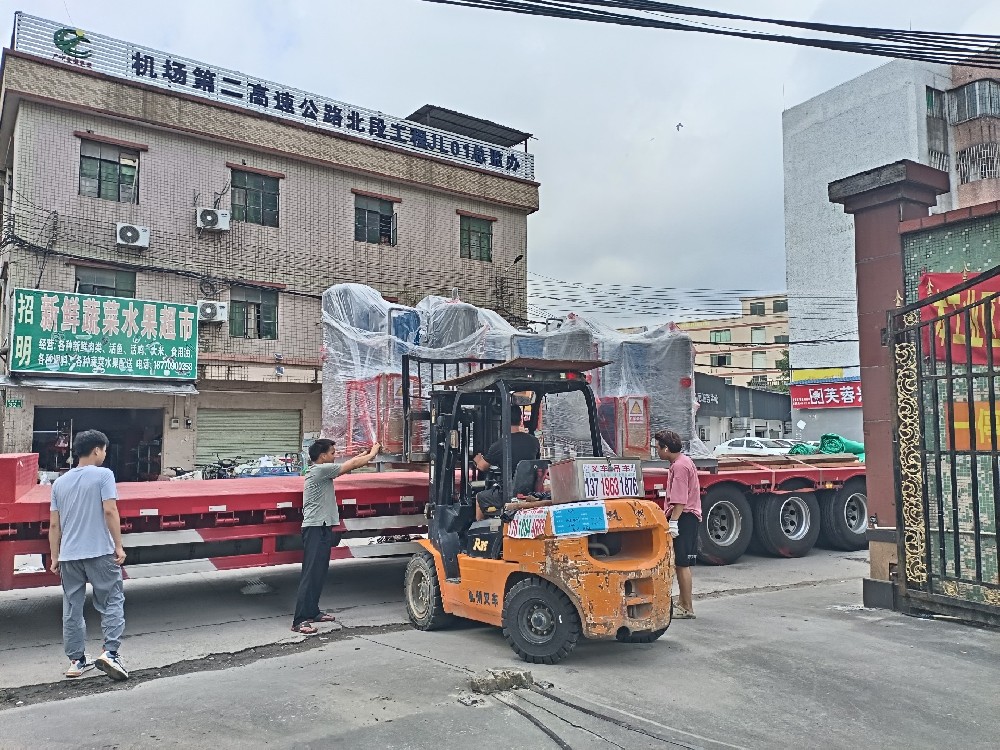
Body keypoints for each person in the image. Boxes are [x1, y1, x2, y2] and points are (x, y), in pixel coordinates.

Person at [48, 430, 129, 680]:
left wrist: (54, 557)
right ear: (96, 450)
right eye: (104, 450)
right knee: (111, 601)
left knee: (72, 607)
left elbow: (54, 525)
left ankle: (76, 661)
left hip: (69, 556)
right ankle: (111, 654)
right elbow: (110, 510)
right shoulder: (104, 475)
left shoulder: (59, 483)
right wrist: (118, 545)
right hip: (99, 552)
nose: (105, 455)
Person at [292, 438, 381, 635]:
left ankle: (313, 611)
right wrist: (373, 453)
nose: (335, 456)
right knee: (310, 574)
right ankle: (299, 620)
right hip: (314, 528)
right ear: (322, 456)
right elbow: (351, 465)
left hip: (322, 526)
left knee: (320, 571)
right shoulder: (319, 470)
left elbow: (350, 463)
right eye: (332, 453)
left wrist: (363, 455)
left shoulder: (323, 470)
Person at [655, 429, 702, 620]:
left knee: (682, 564)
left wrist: (673, 522)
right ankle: (683, 603)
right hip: (685, 516)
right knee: (680, 563)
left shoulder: (680, 467)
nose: (656, 451)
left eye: (657, 447)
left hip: (685, 517)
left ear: (666, 448)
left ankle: (687, 607)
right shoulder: (682, 461)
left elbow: (680, 499)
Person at [473, 405, 541, 520]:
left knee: (479, 498)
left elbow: (482, 467)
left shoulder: (500, 445)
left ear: (503, 421)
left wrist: (477, 458)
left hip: (507, 494)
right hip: (530, 491)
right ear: (521, 420)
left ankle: (478, 533)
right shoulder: (534, 442)